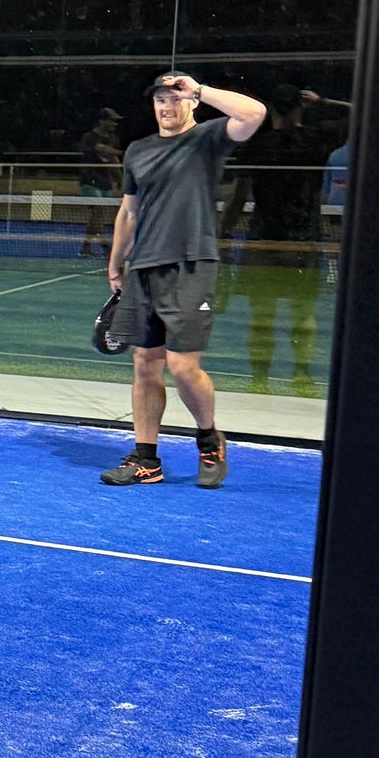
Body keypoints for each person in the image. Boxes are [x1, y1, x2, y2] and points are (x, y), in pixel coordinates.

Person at [99, 71, 265, 487]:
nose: (167, 106)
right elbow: (129, 211)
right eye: (161, 99)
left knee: (182, 365)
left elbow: (254, 113)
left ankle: (209, 440)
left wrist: (201, 89)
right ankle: (145, 459)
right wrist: (116, 261)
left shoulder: (207, 139)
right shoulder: (137, 150)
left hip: (192, 264)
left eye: (176, 98)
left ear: (191, 103)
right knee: (145, 362)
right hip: (143, 268)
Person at [216, 86, 350, 395]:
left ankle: (259, 381)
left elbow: (238, 198)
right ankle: (302, 378)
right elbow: (360, 115)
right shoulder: (316, 139)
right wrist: (324, 100)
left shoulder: (258, 143)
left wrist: (222, 233)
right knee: (304, 316)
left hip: (263, 239)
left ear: (272, 110)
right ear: (301, 107)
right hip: (305, 240)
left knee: (261, 317)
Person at [77, 107, 123, 257]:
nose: (114, 124)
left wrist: (120, 180)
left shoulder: (113, 138)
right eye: (112, 120)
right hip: (89, 180)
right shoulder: (89, 137)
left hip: (105, 182)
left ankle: (87, 247)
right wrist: (123, 152)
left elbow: (113, 160)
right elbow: (100, 149)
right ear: (102, 121)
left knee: (99, 215)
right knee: (97, 211)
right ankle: (104, 245)